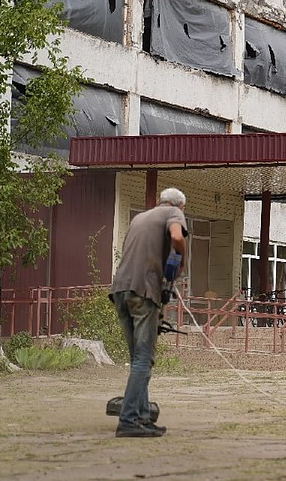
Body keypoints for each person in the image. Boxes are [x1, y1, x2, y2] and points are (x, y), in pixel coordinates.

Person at [108, 187, 187, 438]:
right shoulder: (174, 213)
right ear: (178, 205)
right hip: (143, 291)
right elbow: (176, 238)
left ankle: (142, 417)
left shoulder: (140, 218)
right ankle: (129, 420)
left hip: (120, 290)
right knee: (144, 359)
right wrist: (181, 257)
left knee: (137, 360)